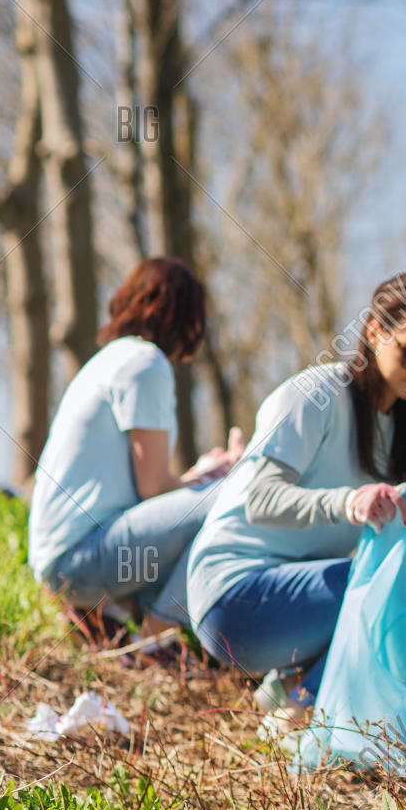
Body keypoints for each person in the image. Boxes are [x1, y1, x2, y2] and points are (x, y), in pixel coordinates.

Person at [186, 273, 406, 723]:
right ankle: (304, 702)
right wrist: (347, 501)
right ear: (375, 332)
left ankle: (292, 693)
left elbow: (395, 553)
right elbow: (258, 497)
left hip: (298, 604)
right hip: (233, 599)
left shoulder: (398, 430)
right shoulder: (314, 395)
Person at [28, 257, 240, 640]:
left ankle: (109, 613)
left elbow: (141, 489)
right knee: (233, 497)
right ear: (184, 315)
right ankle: (158, 637)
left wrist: (202, 473)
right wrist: (219, 480)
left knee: (213, 496)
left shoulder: (109, 360)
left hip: (61, 558)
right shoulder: (146, 362)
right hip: (79, 559)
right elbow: (154, 489)